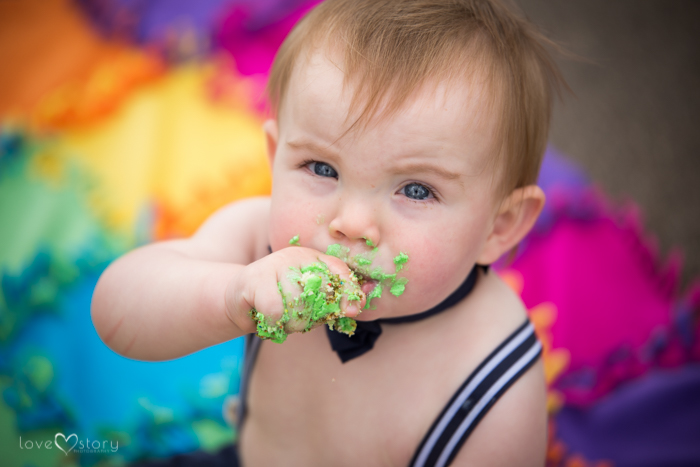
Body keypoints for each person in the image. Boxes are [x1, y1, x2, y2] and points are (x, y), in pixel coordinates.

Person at [92, 0, 566, 465]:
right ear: (275, 157)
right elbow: (115, 313)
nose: (353, 223)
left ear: (499, 226)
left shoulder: (493, 373)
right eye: (322, 167)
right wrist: (232, 296)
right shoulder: (258, 241)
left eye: (417, 190)